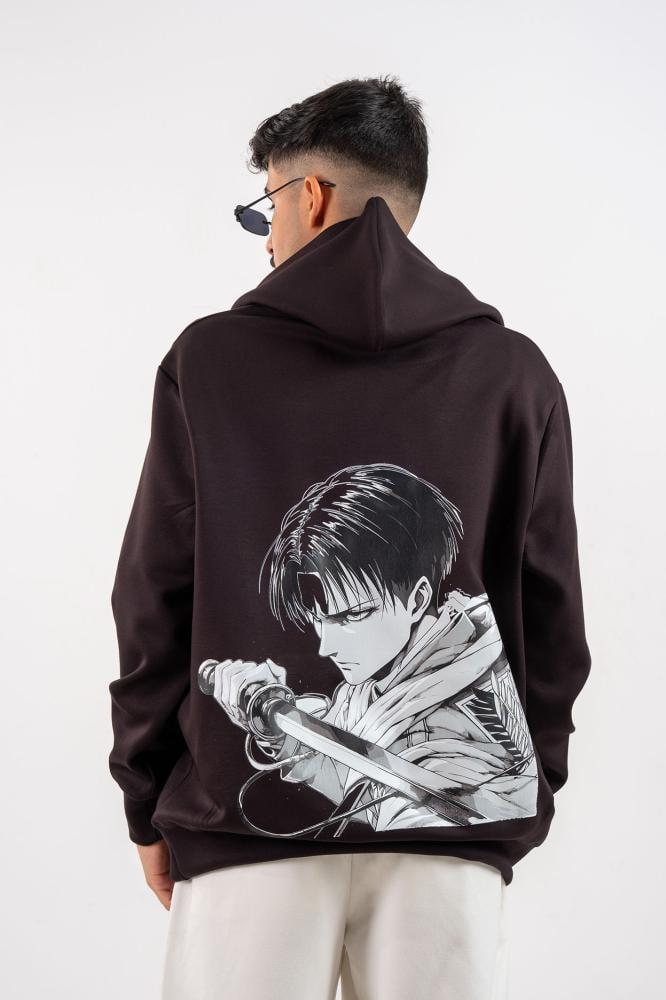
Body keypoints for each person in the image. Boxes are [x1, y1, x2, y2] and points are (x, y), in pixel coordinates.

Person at [109, 74, 592, 1000]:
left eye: (267, 210)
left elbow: (153, 597)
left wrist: (149, 795)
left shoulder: (209, 361)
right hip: (451, 855)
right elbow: (554, 615)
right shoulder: (514, 375)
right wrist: (516, 808)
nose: (268, 240)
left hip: (244, 849)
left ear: (313, 196)